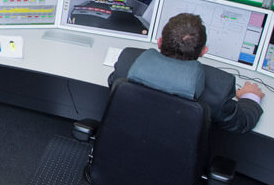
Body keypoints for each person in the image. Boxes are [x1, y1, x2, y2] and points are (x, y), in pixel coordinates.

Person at [108, 12, 263, 134]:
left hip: (123, 147)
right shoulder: (220, 86)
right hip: (178, 163)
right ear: (203, 51)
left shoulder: (128, 60)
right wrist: (251, 96)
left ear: (160, 42)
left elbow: (112, 83)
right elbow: (242, 123)